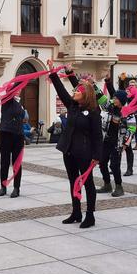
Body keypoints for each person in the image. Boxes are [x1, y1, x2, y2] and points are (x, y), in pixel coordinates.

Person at [47, 59, 102, 229]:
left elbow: (98, 136)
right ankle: (76, 212)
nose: (75, 92)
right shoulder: (72, 106)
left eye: (78, 90)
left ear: (85, 94)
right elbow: (61, 90)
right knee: (73, 181)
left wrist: (97, 156)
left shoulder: (93, 111)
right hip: (69, 150)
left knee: (87, 183)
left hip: (85, 152)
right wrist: (53, 73)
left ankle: (90, 215)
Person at [0, 87, 25, 198]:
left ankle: (16, 188)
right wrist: (21, 80)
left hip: (18, 135)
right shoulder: (6, 100)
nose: (18, 91)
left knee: (17, 163)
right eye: (15, 89)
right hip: (5, 134)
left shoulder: (19, 103)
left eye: (19, 89)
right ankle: (3, 186)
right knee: (5, 161)